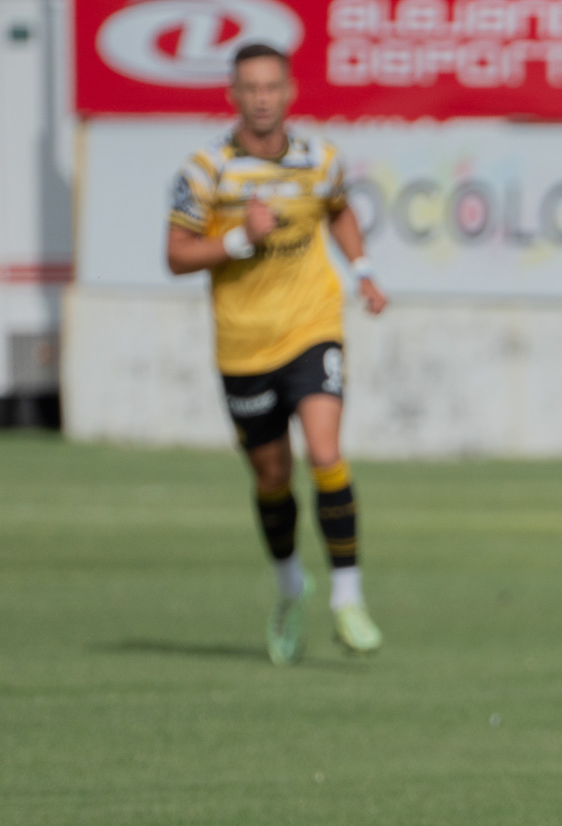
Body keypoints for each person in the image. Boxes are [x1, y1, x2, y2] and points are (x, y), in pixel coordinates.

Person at [166, 42, 387, 662]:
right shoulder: (205, 171)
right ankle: (291, 586)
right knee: (271, 476)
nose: (262, 99)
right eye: (251, 88)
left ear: (289, 92)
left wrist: (362, 269)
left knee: (325, 452)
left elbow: (339, 210)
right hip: (243, 346)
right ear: (233, 95)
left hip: (312, 328)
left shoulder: (320, 159)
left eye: (272, 87)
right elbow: (176, 255)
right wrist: (241, 238)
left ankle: (348, 598)